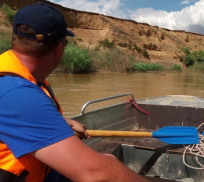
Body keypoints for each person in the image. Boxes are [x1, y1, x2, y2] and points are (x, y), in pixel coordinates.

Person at [0, 2, 150, 182]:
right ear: (59, 48)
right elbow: (96, 174)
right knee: (108, 167)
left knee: (108, 159)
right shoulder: (18, 94)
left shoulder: (15, 76)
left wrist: (62, 122)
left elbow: (17, 116)